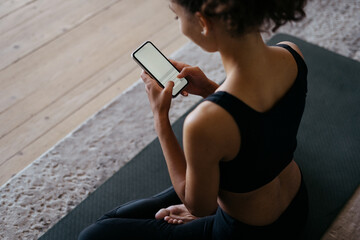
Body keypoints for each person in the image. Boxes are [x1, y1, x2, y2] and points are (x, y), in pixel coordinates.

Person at [79, 0, 309, 239]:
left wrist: (160, 118)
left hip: (248, 233)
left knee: (95, 233)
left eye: (177, 17)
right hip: (297, 204)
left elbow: (199, 207)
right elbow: (259, 124)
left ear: (203, 22)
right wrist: (211, 88)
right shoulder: (291, 53)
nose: (179, 24)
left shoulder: (204, 121)